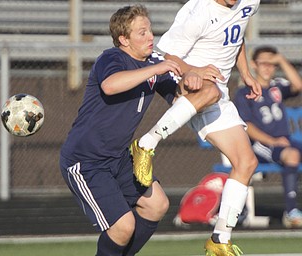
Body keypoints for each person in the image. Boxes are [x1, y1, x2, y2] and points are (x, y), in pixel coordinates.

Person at [59, 5, 221, 256]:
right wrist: (157, 68)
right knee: (123, 227)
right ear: (124, 39)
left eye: (150, 30)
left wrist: (194, 81)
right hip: (86, 160)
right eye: (141, 33)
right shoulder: (112, 58)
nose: (150, 37)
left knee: (157, 204)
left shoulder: (155, 63)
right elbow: (111, 85)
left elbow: (178, 100)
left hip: (119, 158)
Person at [129, 0, 262, 255]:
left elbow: (238, 32)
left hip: (218, 92)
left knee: (246, 163)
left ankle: (220, 239)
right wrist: (195, 70)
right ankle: (146, 144)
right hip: (189, 81)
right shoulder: (199, 12)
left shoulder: (249, 2)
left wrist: (245, 73)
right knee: (209, 90)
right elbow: (169, 55)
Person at [234, 45, 302, 228]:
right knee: (292, 155)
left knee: (292, 151)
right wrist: (272, 141)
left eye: (271, 64)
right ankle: (291, 212)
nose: (267, 68)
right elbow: (246, 126)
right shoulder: (245, 92)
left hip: (285, 142)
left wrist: (280, 60)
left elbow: (298, 85)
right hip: (262, 144)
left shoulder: (277, 88)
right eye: (263, 63)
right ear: (254, 65)